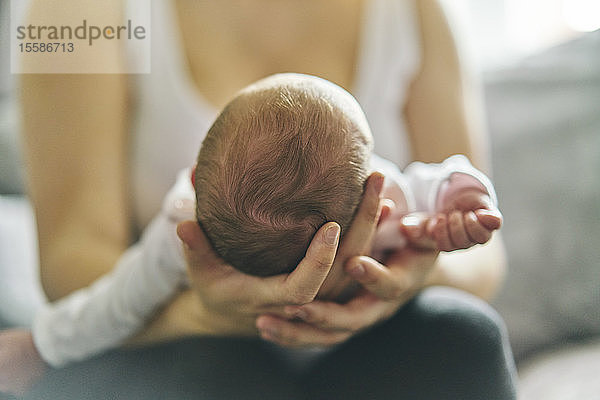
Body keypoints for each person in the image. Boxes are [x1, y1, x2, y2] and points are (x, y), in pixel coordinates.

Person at [1, 0, 517, 398]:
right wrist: (208, 315)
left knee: (459, 336)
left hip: (379, 322)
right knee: (221, 374)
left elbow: (482, 250)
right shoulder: (75, 12)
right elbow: (76, 267)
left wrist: (409, 266)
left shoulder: (416, 12)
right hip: (180, 335)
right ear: (197, 182)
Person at [22, 73, 502, 370]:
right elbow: (436, 181)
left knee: (463, 330)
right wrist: (461, 201)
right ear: (366, 198)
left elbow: (112, 305)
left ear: (193, 175)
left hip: (365, 338)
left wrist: (42, 345)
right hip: (210, 351)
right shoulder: (386, 207)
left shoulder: (180, 227)